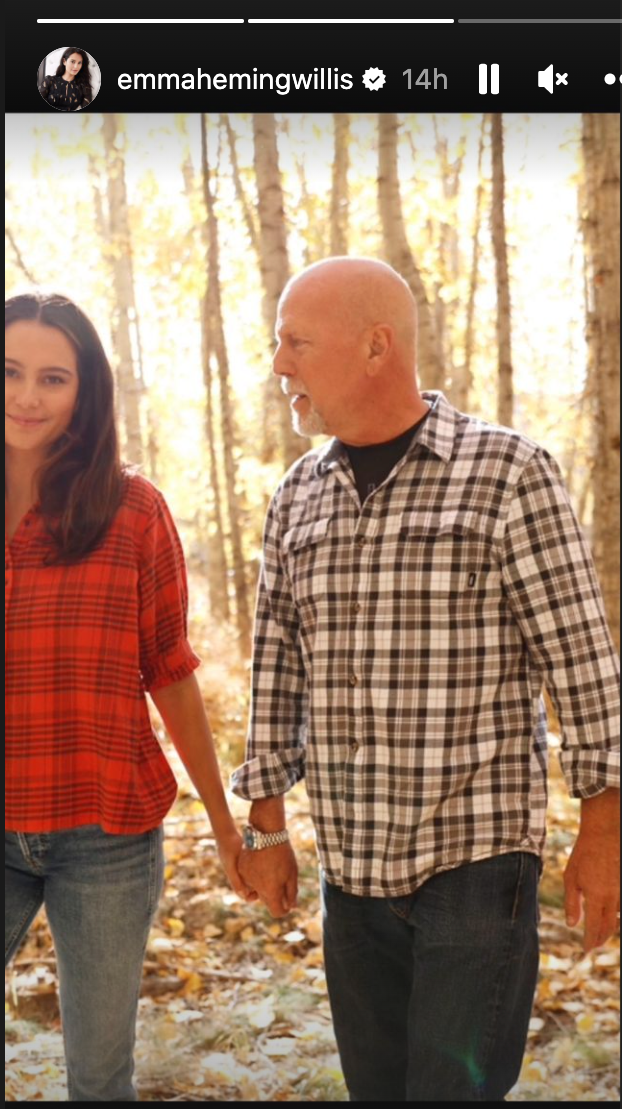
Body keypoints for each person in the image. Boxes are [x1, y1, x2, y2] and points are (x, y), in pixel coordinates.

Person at [231, 257, 620, 1102]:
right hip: (352, 868)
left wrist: (604, 829)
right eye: (275, 344)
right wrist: (264, 825)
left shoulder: (511, 474)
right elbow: (278, 673)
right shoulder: (297, 496)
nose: (279, 365)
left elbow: (582, 663)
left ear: (377, 347)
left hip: (476, 863)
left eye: (295, 342)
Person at [5, 293, 251, 1102]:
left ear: (87, 392)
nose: (27, 397)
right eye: (9, 372)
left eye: (53, 378)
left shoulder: (133, 509)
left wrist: (222, 819)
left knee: (100, 1074)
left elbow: (171, 672)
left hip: (103, 832)